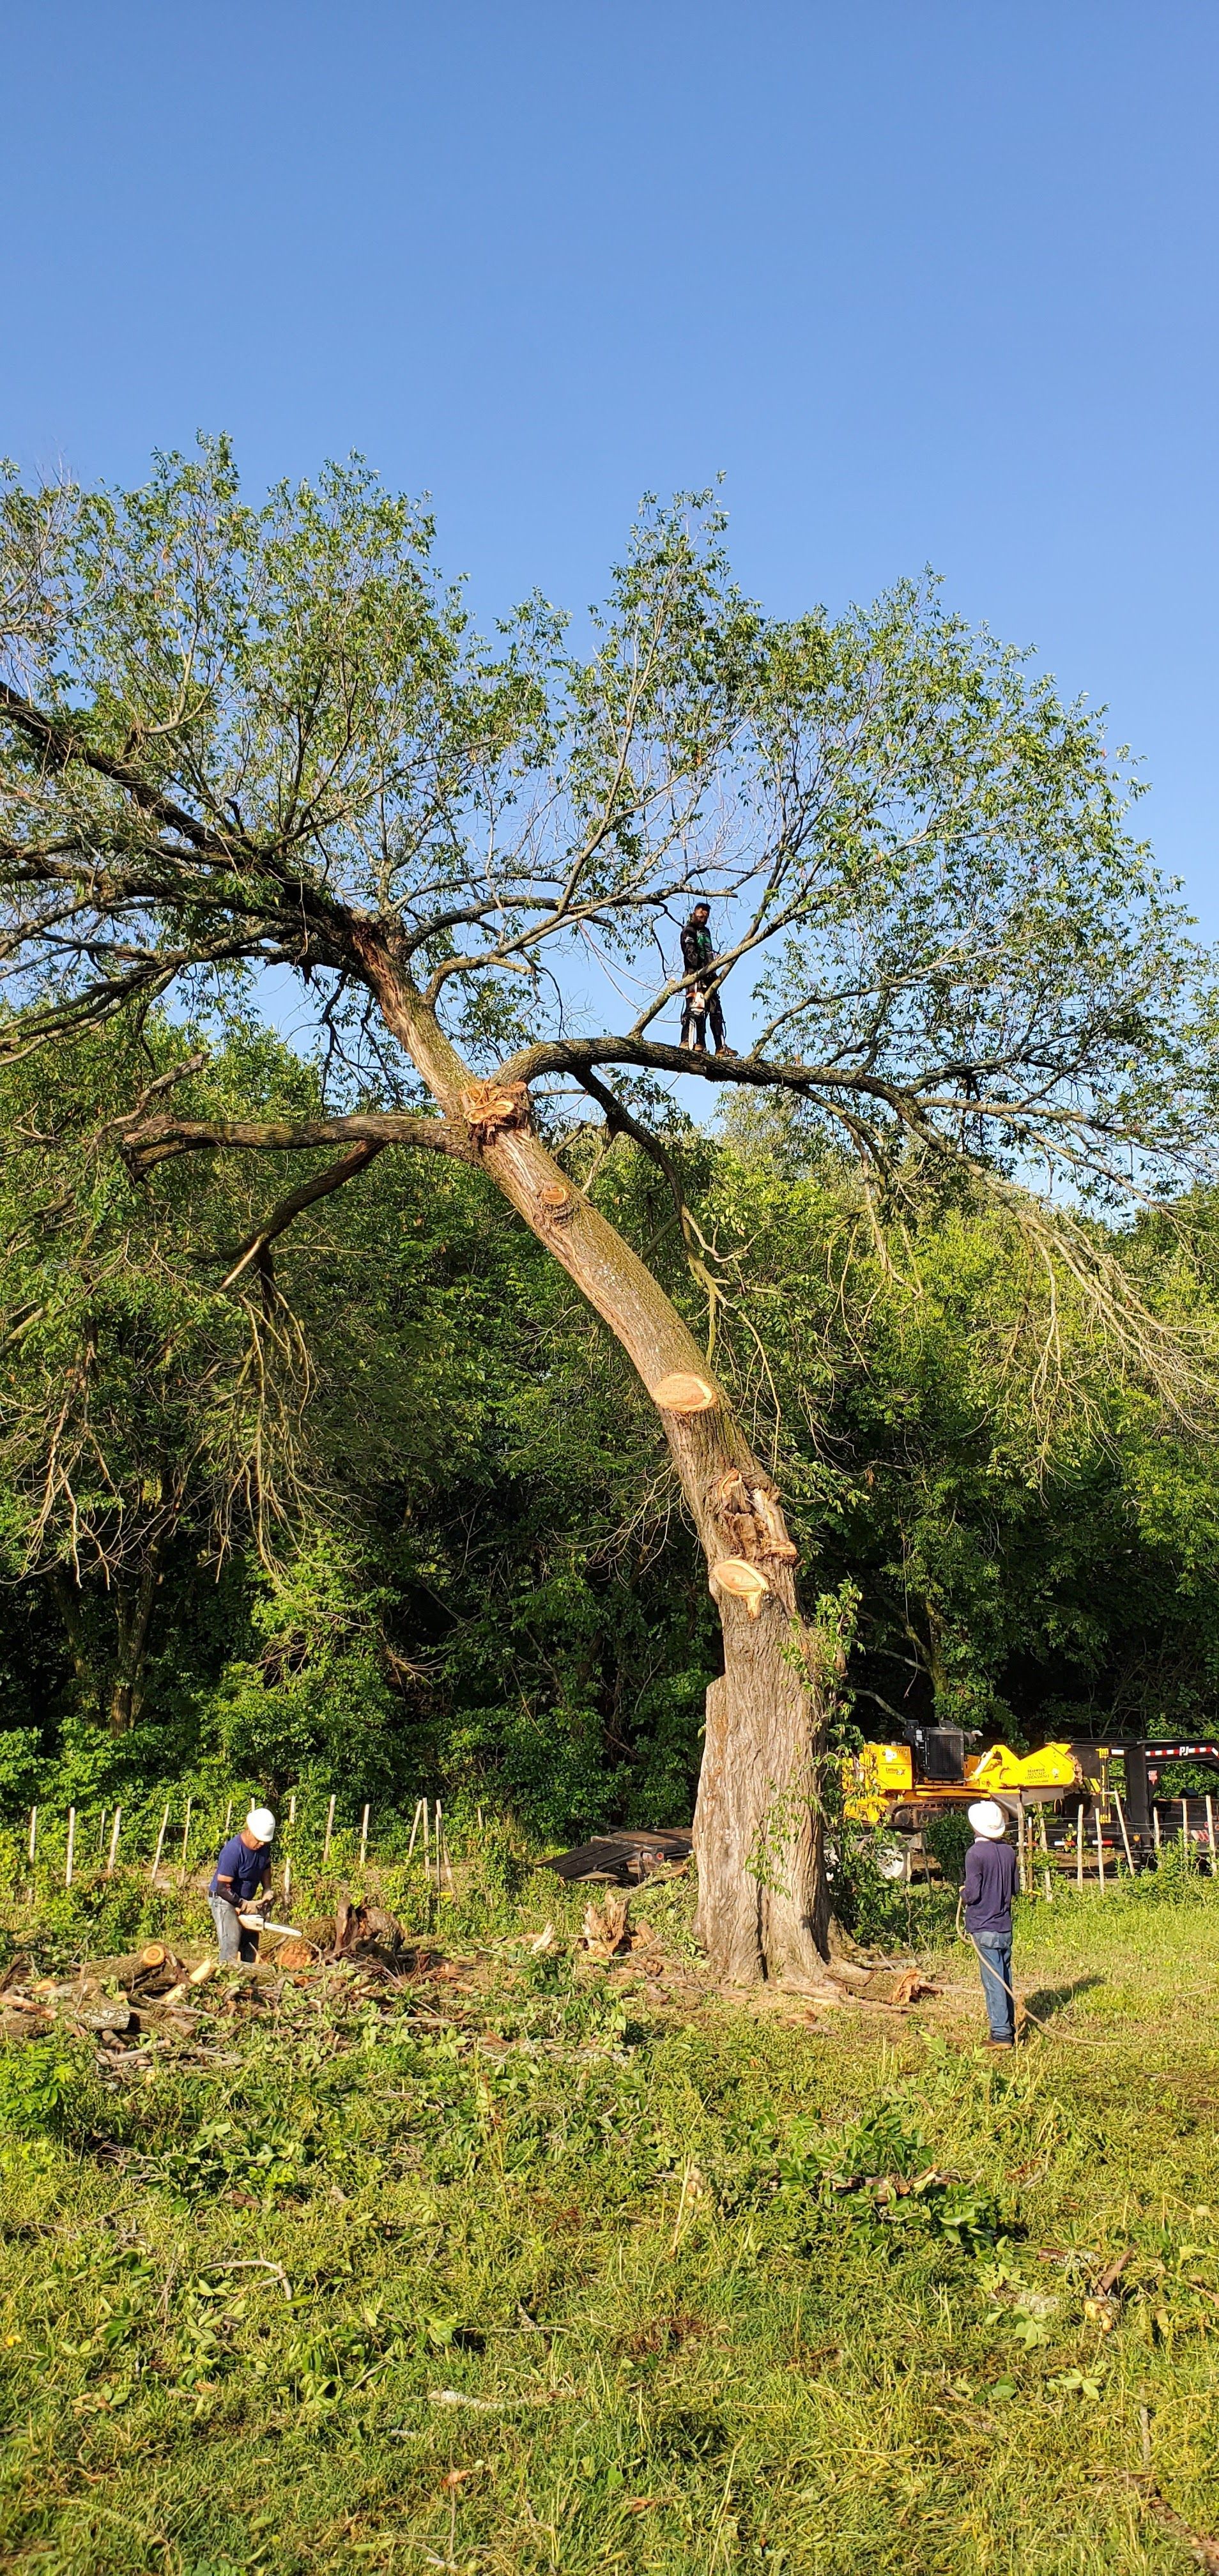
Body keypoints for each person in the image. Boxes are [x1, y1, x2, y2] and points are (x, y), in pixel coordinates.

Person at [963, 1798, 1020, 2046]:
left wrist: (963, 1893)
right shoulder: (1009, 1852)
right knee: (1005, 1978)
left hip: (983, 1926)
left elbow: (973, 1894)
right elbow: (1015, 1888)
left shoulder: (975, 1853)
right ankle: (1009, 2026)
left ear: (976, 1826)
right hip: (1005, 1927)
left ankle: (1000, 2034)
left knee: (993, 1982)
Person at [209, 1805, 276, 1966]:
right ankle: (226, 1980)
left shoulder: (264, 1847)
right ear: (249, 1831)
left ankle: (248, 1980)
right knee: (231, 1942)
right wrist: (243, 1904)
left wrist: (267, 1889)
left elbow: (265, 1866)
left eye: (264, 1841)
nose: (261, 1843)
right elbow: (222, 1888)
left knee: (251, 1943)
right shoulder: (233, 1851)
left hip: (245, 1899)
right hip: (223, 1900)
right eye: (258, 1839)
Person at [680, 902, 733, 1054]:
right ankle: (690, 1042)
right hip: (694, 974)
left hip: (710, 974)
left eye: (706, 917)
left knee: (716, 1010)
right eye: (701, 916)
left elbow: (708, 952)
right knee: (695, 1008)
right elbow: (689, 953)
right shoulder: (689, 931)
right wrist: (699, 970)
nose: (703, 919)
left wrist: (713, 967)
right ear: (695, 914)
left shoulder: (706, 932)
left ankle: (721, 1047)